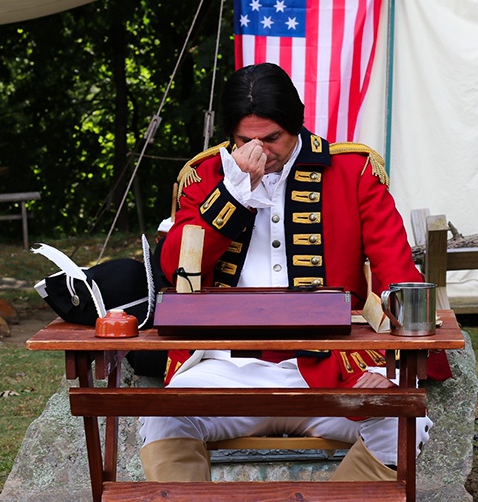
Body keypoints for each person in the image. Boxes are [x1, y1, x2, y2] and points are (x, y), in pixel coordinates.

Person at [139, 62, 451, 481]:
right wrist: (233, 194)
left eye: (272, 139)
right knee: (163, 419)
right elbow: (174, 263)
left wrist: (386, 369)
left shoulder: (353, 172)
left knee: (401, 424)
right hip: (224, 365)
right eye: (245, 141)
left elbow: (398, 274)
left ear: (297, 127)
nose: (260, 152)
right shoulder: (207, 175)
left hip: (332, 367)